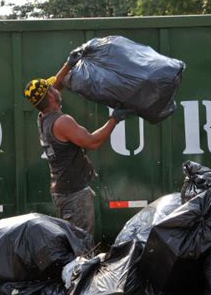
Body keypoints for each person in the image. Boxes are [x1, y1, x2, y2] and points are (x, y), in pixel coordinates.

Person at [24, 52, 133, 236]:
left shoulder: (43, 117)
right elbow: (92, 142)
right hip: (73, 196)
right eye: (51, 89)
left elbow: (56, 84)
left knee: (73, 243)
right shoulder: (62, 122)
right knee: (81, 245)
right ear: (51, 97)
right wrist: (115, 118)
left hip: (64, 192)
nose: (56, 88)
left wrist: (68, 65)